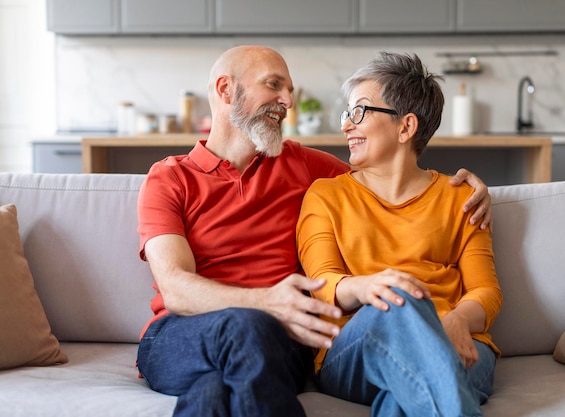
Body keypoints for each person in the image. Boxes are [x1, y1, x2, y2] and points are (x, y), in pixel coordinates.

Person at [135, 45, 493, 417]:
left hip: (278, 343)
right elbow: (176, 288)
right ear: (226, 90)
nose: (287, 100)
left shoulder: (303, 165)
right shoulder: (169, 179)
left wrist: (471, 188)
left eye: (289, 90)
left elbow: (387, 172)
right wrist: (266, 301)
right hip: (181, 336)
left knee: (211, 395)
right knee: (246, 325)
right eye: (274, 85)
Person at [296, 51, 503, 417]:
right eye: (348, 113)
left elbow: (486, 292)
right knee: (398, 301)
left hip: (459, 339)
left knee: (400, 401)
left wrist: (456, 320)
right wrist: (368, 287)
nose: (347, 125)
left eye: (360, 111)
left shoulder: (461, 199)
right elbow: (322, 283)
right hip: (356, 348)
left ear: (405, 127)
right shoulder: (326, 196)